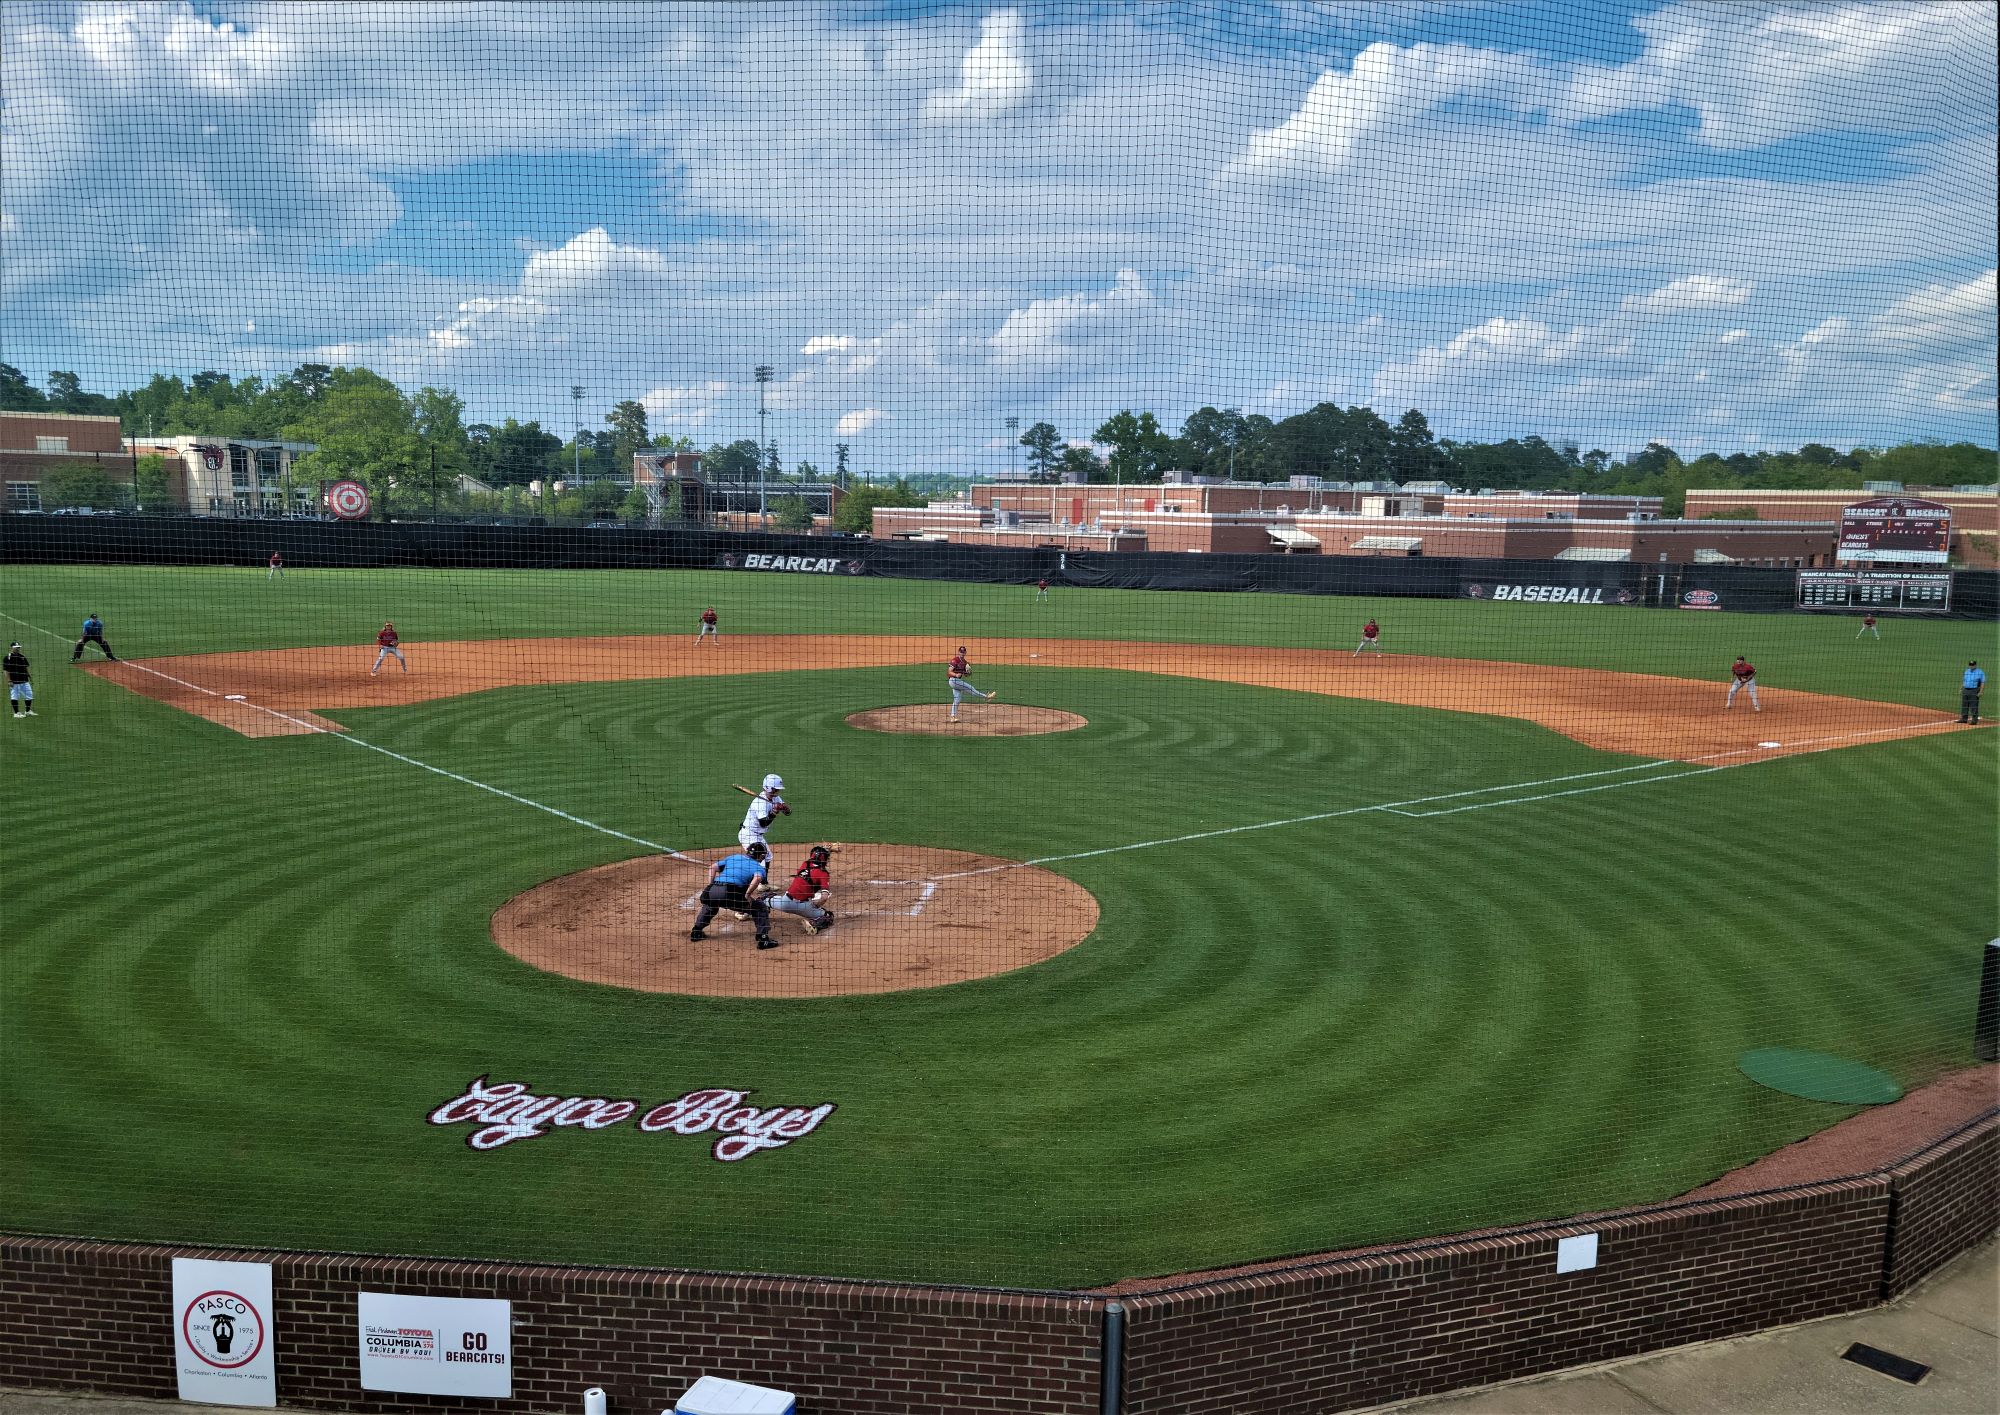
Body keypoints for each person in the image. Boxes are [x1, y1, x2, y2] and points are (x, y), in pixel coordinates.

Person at [688, 841, 778, 949]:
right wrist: (747, 895)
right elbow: (758, 878)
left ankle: (696, 931)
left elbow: (713, 867)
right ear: (761, 855)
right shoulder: (759, 868)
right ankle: (763, 940)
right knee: (760, 907)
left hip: (712, 891)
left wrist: (711, 885)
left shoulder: (734, 857)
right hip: (730, 893)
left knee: (711, 905)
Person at [767, 845, 835, 935]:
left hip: (785, 902)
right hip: (803, 907)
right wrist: (817, 904)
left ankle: (749, 911)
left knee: (765, 898)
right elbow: (824, 897)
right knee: (828, 916)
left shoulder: (805, 864)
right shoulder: (823, 874)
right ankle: (814, 925)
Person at [739, 773, 790, 851]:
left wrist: (785, 808)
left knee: (767, 857)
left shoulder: (775, 797)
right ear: (768, 788)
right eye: (775, 789)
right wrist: (774, 812)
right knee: (759, 858)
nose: (777, 791)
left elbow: (788, 813)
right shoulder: (760, 803)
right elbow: (763, 824)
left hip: (758, 835)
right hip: (749, 835)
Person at [947, 645, 996, 721]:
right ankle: (987, 696)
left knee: (957, 699)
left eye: (963, 652)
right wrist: (956, 674)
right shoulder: (955, 660)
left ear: (965, 652)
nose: (962, 653)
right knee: (972, 689)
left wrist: (968, 672)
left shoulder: (965, 663)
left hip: (957, 682)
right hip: (953, 680)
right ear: (958, 652)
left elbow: (967, 675)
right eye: (961, 652)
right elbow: (949, 672)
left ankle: (952, 717)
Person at [5, 642, 34, 718]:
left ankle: (27, 711)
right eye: (16, 647)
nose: (18, 648)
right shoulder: (8, 657)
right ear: (12, 647)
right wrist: (9, 680)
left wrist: (30, 677)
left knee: (29, 695)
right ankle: (16, 713)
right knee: (15, 696)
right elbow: (6, 670)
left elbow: (26, 667)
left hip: (24, 680)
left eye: (18, 647)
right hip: (14, 681)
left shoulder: (22, 656)